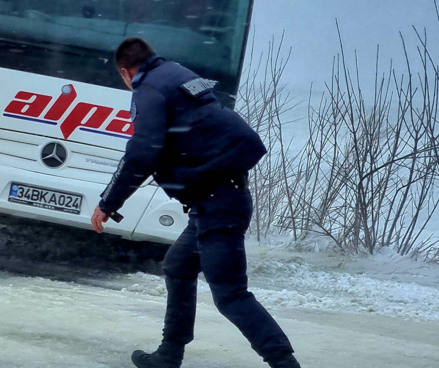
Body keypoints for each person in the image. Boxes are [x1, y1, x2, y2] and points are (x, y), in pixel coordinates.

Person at [90, 37, 300, 368]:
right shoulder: (174, 73)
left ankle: (284, 363)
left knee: (230, 294)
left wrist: (108, 202)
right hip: (213, 200)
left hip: (219, 204)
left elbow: (142, 153)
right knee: (178, 266)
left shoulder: (150, 89)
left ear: (125, 71)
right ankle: (169, 355)